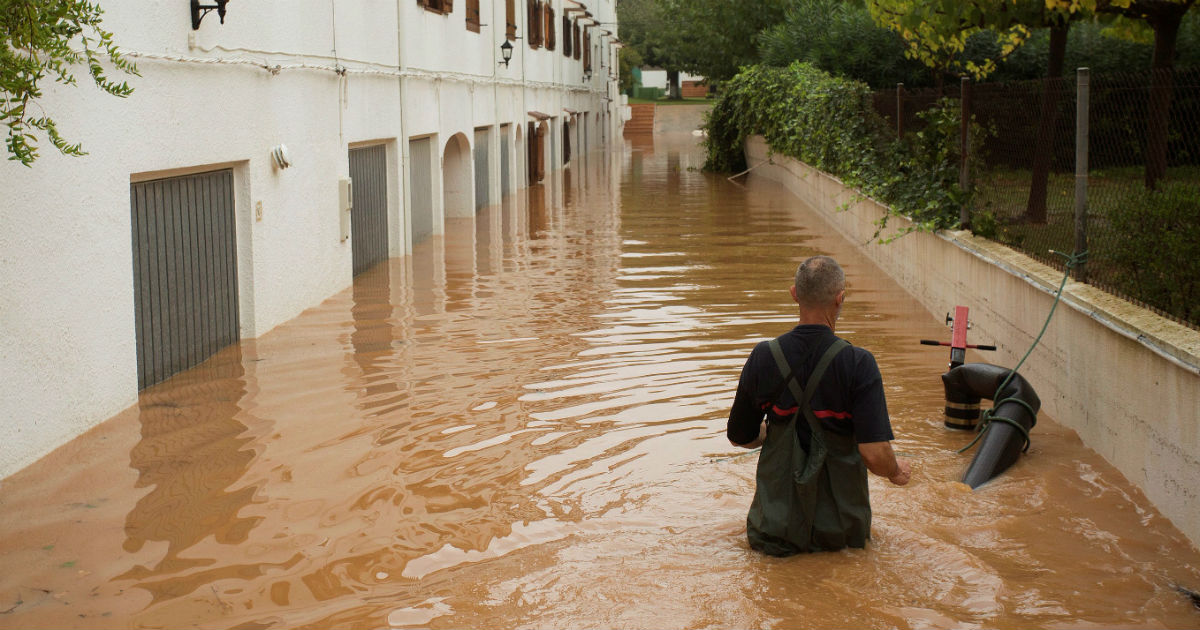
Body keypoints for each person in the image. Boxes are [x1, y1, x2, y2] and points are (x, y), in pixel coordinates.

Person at [727, 255, 910, 556]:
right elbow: (875, 453)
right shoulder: (858, 363)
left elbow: (739, 436)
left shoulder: (764, 356)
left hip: (773, 533)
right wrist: (895, 471)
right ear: (840, 298)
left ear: (794, 294)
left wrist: (769, 434)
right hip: (841, 537)